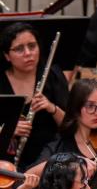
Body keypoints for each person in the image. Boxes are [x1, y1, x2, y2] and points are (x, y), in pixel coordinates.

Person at [0, 22, 68, 170]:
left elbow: (71, 126)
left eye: (32, 46)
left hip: (51, 157)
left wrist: (51, 108)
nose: (28, 53)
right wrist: (7, 130)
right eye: (19, 49)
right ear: (7, 56)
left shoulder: (53, 75)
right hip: (7, 161)